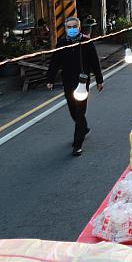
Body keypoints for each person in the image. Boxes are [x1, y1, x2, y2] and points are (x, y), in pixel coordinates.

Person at [46, 17, 104, 157]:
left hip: (83, 83)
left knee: (79, 112)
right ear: (65, 28)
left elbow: (95, 62)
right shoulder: (62, 44)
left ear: (79, 28)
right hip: (68, 83)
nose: (71, 29)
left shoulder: (87, 43)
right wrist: (50, 79)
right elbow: (55, 62)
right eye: (69, 27)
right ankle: (83, 129)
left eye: (74, 26)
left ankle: (77, 144)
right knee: (73, 111)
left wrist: (99, 80)